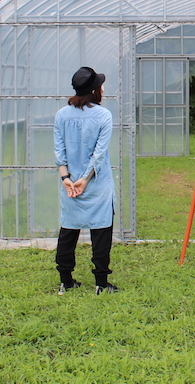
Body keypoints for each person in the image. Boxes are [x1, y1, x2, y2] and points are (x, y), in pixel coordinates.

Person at [54, 67, 119, 295]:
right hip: (97, 184)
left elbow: (59, 152)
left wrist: (66, 178)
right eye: (100, 85)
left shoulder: (61, 115)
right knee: (101, 230)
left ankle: (65, 281)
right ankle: (101, 283)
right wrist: (85, 179)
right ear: (94, 90)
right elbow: (98, 155)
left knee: (68, 229)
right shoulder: (103, 115)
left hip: (70, 185)